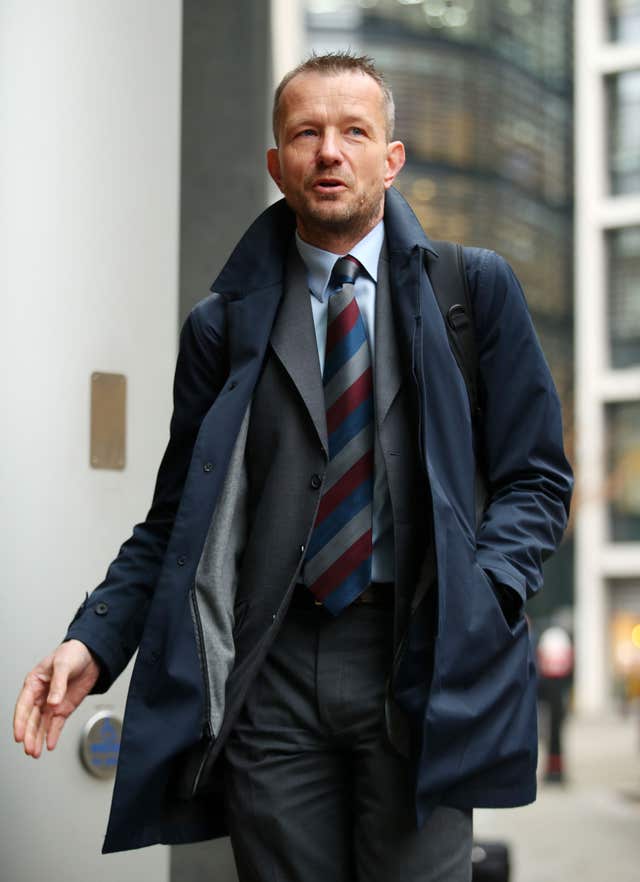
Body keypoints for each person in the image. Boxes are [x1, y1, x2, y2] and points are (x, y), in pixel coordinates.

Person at [13, 52, 573, 881]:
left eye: (354, 131)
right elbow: (176, 523)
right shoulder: (221, 326)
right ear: (277, 163)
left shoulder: (473, 291)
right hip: (271, 671)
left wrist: (482, 596)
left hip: (419, 658)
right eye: (306, 133)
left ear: (392, 158)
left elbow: (536, 478)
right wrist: (93, 640)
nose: (329, 152)